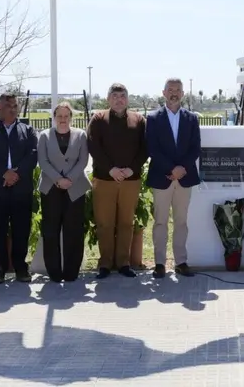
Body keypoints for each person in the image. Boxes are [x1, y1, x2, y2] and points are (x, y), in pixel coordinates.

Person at [87, 83, 148, 279]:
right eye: (114, 96)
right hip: (105, 179)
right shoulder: (98, 119)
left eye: (122, 96)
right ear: (108, 99)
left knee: (126, 223)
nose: (119, 99)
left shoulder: (139, 120)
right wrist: (111, 169)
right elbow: (93, 146)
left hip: (131, 179)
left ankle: (123, 263)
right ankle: (105, 263)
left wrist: (132, 169)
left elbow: (145, 148)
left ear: (127, 99)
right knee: (104, 223)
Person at [0, 93, 38, 284]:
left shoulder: (27, 130)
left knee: (21, 229)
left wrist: (16, 174)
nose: (12, 109)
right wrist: (4, 173)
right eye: (8, 105)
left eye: (15, 106)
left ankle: (20, 267)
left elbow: (33, 154)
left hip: (21, 189)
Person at [147, 78, 202, 279]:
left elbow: (195, 147)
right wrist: (172, 168)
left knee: (181, 222)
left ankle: (181, 262)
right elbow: (152, 148)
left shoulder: (192, 118)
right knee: (160, 222)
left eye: (178, 90)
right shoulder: (153, 118)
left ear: (183, 94)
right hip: (162, 177)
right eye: (170, 89)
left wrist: (182, 169)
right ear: (164, 93)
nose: (174, 93)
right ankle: (159, 263)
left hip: (184, 177)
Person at [37, 102, 91, 283]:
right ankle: (54, 272)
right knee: (51, 230)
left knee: (74, 230)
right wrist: (58, 179)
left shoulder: (81, 135)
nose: (63, 119)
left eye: (66, 116)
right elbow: (43, 161)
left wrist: (69, 179)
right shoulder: (44, 136)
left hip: (75, 187)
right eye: (59, 116)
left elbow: (83, 160)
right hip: (50, 188)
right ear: (54, 117)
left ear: (71, 118)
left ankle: (71, 272)